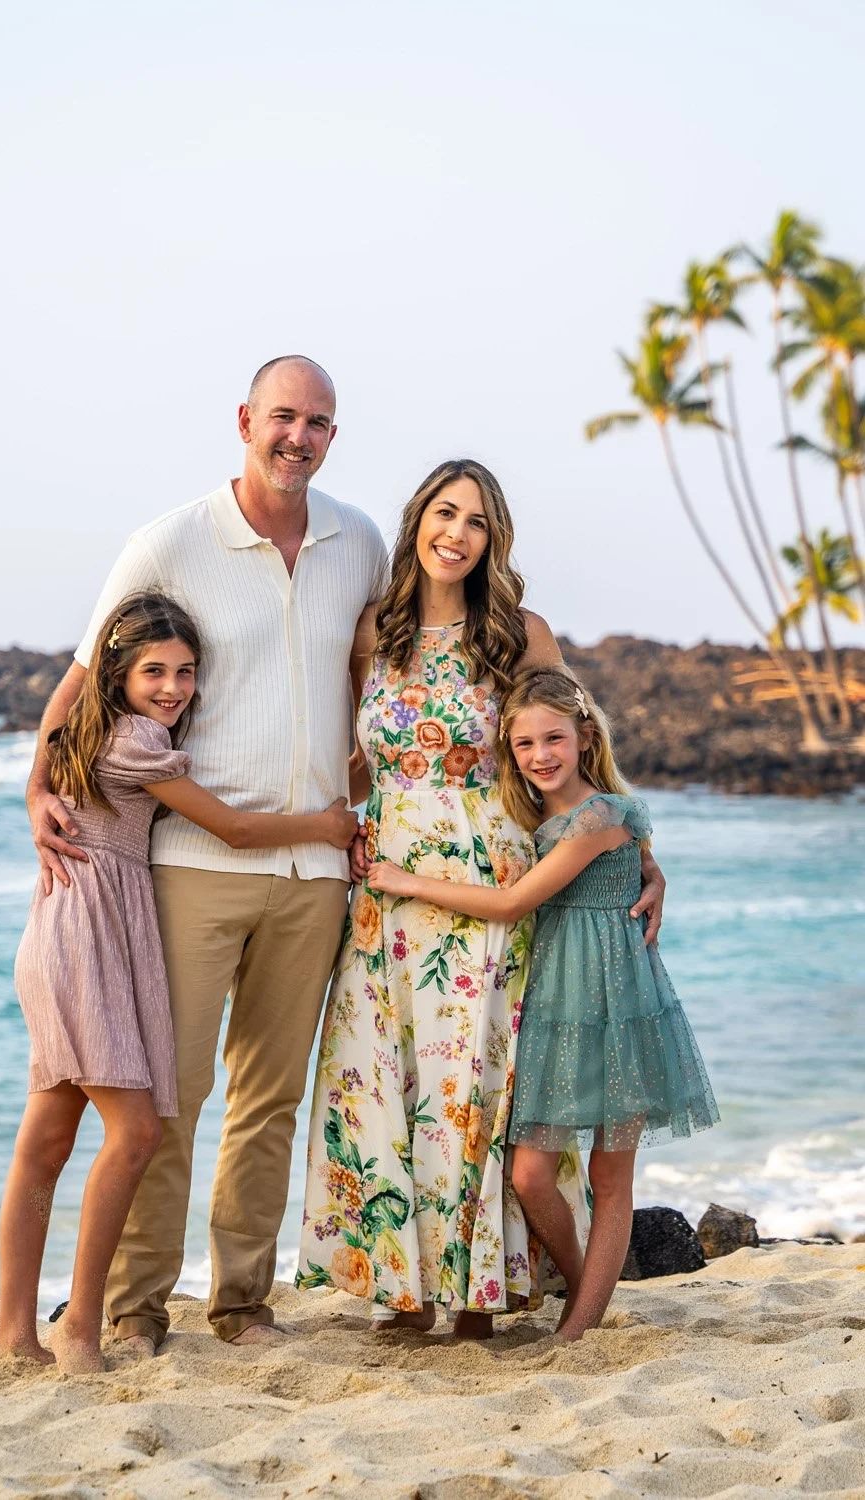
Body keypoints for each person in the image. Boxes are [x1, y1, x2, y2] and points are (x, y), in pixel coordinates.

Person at [24, 357, 388, 1349]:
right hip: (191, 866)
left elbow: (393, 664)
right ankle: (137, 1308)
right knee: (171, 1098)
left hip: (316, 873)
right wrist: (36, 787)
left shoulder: (360, 541)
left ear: (331, 436)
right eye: (283, 417)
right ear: (244, 420)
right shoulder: (171, 539)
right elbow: (81, 677)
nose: (297, 437)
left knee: (270, 1101)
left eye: (317, 423)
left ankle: (240, 1302)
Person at [297, 459, 666, 1338]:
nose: (455, 534)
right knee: (383, 1079)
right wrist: (312, 815)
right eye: (443, 513)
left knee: (477, 1086)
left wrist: (643, 859)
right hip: (386, 889)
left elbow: (582, 758)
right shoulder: (371, 632)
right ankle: (407, 1284)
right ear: (417, 519)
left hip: (491, 881)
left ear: (493, 540)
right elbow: (363, 757)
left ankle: (481, 1290)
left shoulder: (518, 632)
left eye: (475, 522)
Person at [0, 592, 359, 1372]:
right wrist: (327, 825)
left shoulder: (113, 734)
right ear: (117, 673)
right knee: (134, 1133)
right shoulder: (131, 742)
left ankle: (15, 1334)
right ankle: (84, 1329)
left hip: (75, 933)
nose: (173, 686)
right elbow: (231, 827)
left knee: (49, 1137)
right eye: (153, 670)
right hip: (84, 939)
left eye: (186, 671)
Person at [368, 667, 718, 1342]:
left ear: (585, 737)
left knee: (609, 1174)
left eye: (553, 738)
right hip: (555, 1003)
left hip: (616, 1003)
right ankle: (585, 1291)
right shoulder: (537, 814)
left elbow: (512, 902)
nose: (540, 756)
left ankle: (577, 1327)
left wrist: (403, 880)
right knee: (531, 1173)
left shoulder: (598, 817)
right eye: (524, 745)